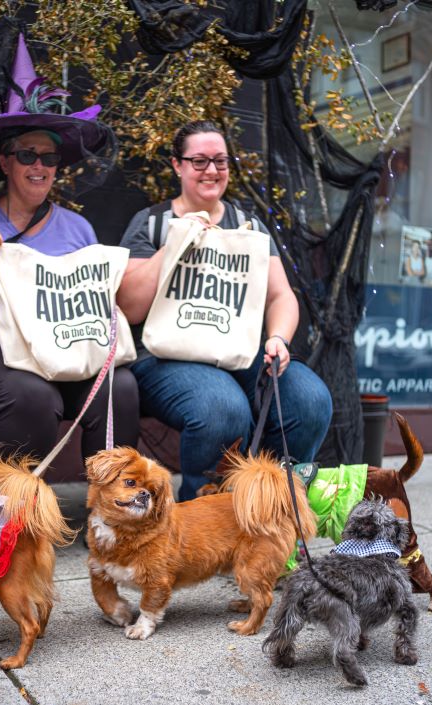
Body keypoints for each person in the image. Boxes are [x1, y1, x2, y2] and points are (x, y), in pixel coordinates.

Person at [0, 34, 139, 461]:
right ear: (5, 163)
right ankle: (11, 515)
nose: (39, 166)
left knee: (121, 386)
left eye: (49, 158)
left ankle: (113, 513)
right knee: (33, 397)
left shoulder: (78, 228)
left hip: (65, 343)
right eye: (26, 155)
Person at [117, 120, 333, 502]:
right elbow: (130, 308)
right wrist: (176, 242)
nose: (212, 171)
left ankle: (272, 506)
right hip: (164, 358)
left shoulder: (248, 227)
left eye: (220, 161)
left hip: (240, 354)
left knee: (309, 398)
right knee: (222, 408)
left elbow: (281, 296)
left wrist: (278, 339)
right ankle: (201, 519)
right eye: (199, 161)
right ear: (176, 165)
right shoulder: (151, 224)